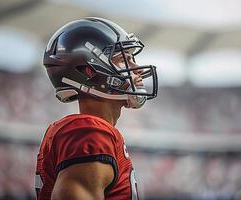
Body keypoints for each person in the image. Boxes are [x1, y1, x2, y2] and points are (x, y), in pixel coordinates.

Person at [35, 17, 158, 200]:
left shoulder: (94, 131)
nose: (137, 69)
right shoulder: (90, 132)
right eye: (123, 60)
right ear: (89, 71)